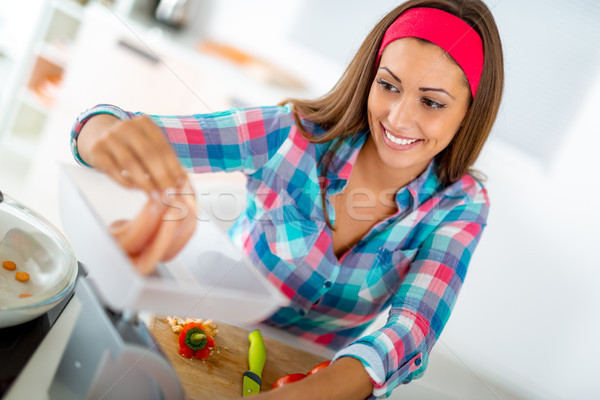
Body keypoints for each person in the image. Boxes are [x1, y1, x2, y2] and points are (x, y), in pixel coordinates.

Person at [70, 0, 503, 398]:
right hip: (202, 341)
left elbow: (412, 326)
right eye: (388, 86)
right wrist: (104, 135)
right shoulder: (289, 134)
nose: (399, 117)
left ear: (470, 111)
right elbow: (114, 126)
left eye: (431, 102)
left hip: (315, 378)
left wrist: (308, 392)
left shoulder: (460, 205)